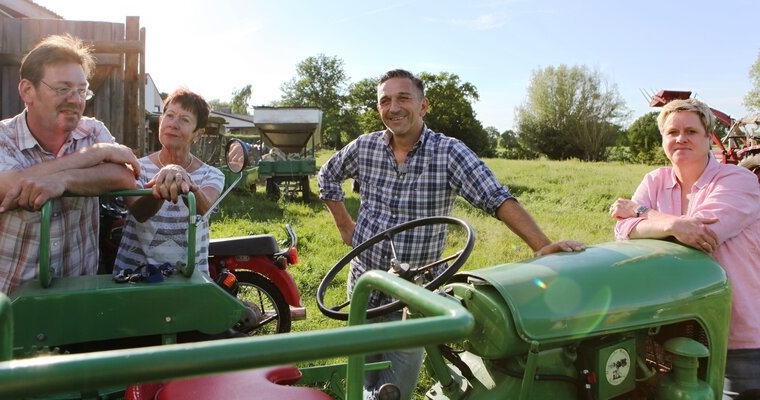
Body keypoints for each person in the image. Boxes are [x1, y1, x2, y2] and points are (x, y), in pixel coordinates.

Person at [317, 69, 585, 399]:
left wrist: (541, 244)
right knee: (362, 376)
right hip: (363, 285)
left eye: (403, 98)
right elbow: (327, 175)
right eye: (385, 101)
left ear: (423, 105)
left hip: (413, 294)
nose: (394, 107)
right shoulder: (365, 147)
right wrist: (345, 225)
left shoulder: (448, 152)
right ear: (379, 109)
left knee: (395, 386)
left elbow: (494, 196)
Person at [0, 34, 140, 303]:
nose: (75, 100)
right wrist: (94, 155)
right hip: (3, 303)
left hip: (75, 301)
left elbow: (123, 176)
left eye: (81, 90)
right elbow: (14, 186)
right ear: (27, 91)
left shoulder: (92, 131)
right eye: (62, 89)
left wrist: (63, 181)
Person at [609, 99, 760, 397]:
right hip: (671, 330)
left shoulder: (737, 179)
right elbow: (622, 231)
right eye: (672, 132)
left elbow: (700, 233)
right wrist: (674, 225)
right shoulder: (655, 180)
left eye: (691, 131)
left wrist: (643, 213)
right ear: (663, 140)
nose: (681, 138)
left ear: (708, 137)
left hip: (735, 336)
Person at [113, 88, 224, 274]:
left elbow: (204, 209)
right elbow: (139, 212)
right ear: (160, 122)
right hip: (134, 278)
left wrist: (182, 177)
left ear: (198, 134)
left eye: (184, 119)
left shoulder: (211, 174)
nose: (173, 124)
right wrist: (164, 181)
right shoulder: (136, 168)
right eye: (169, 115)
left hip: (189, 279)